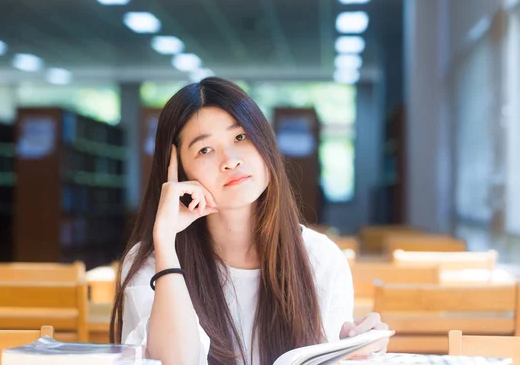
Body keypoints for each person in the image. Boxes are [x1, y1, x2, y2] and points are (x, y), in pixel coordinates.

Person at [110, 77, 389, 365]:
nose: (230, 160)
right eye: (205, 149)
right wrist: (166, 244)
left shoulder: (320, 257)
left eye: (241, 137)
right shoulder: (151, 263)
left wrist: (354, 350)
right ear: (178, 172)